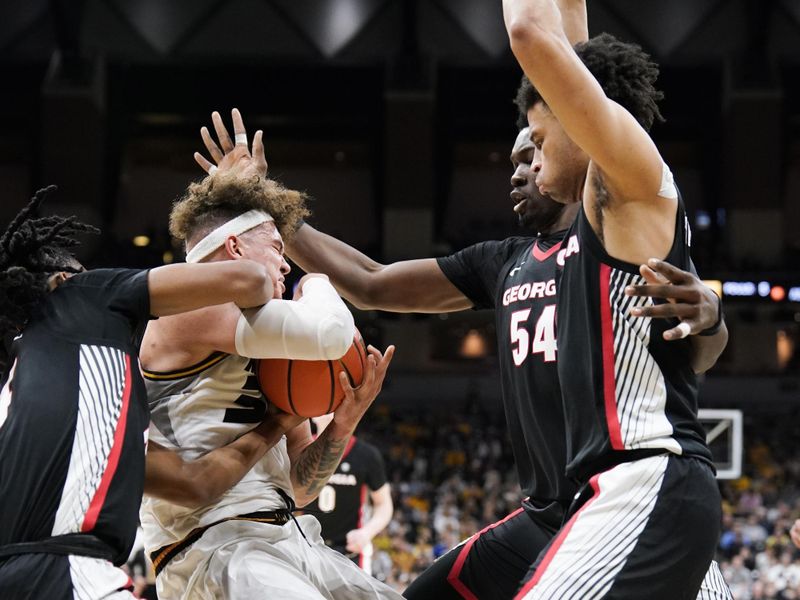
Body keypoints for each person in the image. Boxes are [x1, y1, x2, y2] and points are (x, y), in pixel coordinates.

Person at [196, 101, 730, 598]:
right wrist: (264, 202)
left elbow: (693, 357)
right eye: (516, 159)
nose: (519, 171)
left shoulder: (617, 245)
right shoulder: (502, 262)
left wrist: (712, 319)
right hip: (548, 513)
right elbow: (370, 282)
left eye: (534, 152)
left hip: (632, 502)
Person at [503, 0, 729, 597]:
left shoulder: (625, 179)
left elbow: (530, 32)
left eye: (543, 134)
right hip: (644, 490)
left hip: (643, 477)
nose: (533, 147)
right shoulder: (598, 206)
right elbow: (572, 45)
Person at [139, 120, 402, 600]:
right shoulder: (188, 305)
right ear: (235, 247)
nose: (286, 263)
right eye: (278, 249)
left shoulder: (267, 346)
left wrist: (341, 425)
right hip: (212, 546)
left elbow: (300, 487)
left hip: (291, 534)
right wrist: (316, 281)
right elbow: (330, 330)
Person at [0, 185, 293, 598]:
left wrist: (280, 423)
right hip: (64, 571)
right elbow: (250, 277)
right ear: (63, 280)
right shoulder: (81, 296)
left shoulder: (45, 383)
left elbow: (194, 485)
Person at [306, 413, 394, 576]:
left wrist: (367, 532)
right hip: (305, 546)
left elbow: (384, 504)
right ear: (312, 415)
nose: (328, 412)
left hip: (349, 549)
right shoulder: (299, 450)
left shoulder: (366, 455)